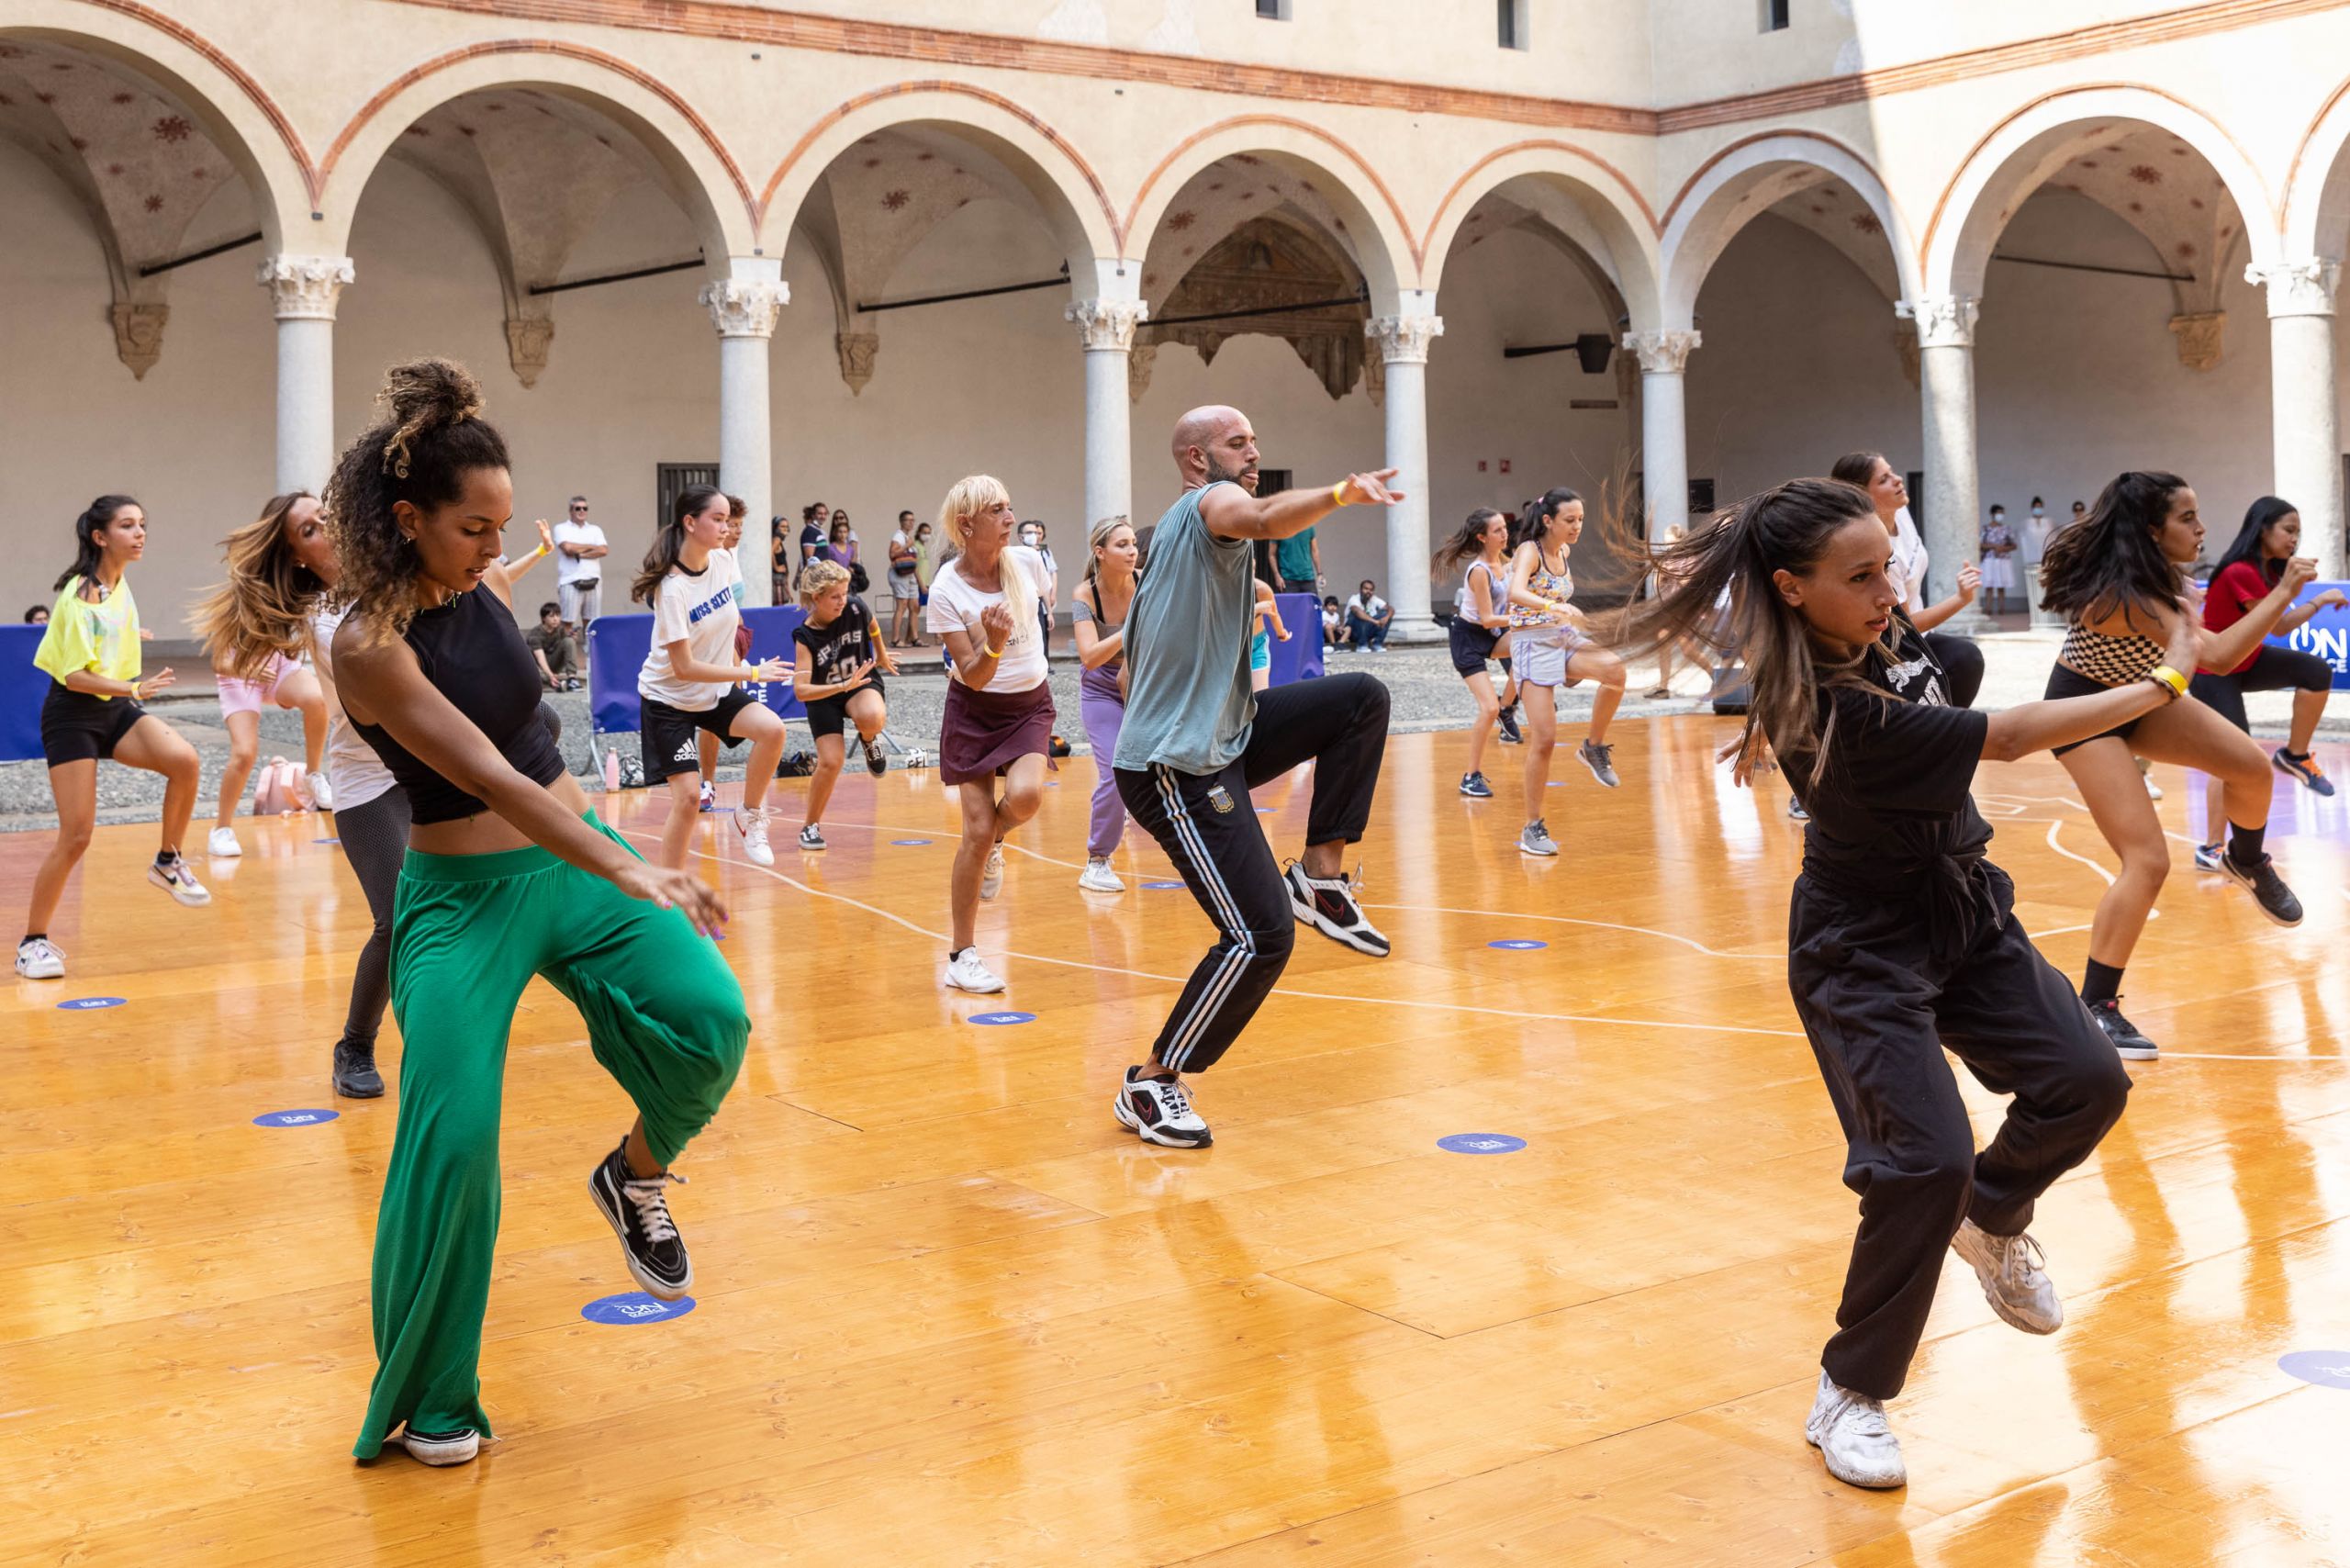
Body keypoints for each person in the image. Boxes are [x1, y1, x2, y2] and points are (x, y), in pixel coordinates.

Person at [1622, 476, 2154, 1492]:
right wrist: (2164, 681)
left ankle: (1992, 1214)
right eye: (1861, 577)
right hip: (1862, 944)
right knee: (1923, 1163)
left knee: (2088, 1080)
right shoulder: (1834, 711)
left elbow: (1949, 666)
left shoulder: (1881, 636)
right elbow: (2008, 737)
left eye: (1887, 570)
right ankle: (1849, 1390)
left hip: (1966, 910)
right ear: (1791, 588)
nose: (1887, 594)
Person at [324, 358, 745, 1469]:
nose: (491, 548)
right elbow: (486, 776)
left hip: (573, 866)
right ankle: (433, 1396)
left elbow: (531, 748)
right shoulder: (366, 647)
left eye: (502, 527)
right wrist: (631, 867)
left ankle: (635, 1174)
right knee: (452, 1140)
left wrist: (608, 860)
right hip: (461, 905)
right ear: (407, 520)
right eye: (473, 529)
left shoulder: (484, 588)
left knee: (712, 1019)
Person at [1109, 405, 1394, 1149]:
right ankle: (1151, 1082)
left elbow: (1138, 665)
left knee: (1360, 699)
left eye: (1255, 440)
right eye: (1237, 443)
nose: (1253, 451)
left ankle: (1321, 878)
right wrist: (1341, 493)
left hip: (1226, 735)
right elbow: (1263, 517)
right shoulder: (1211, 503)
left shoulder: (1184, 541)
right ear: (1196, 459)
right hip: (1176, 767)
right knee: (1260, 935)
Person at [2037, 470, 2311, 1060]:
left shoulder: (2154, 573)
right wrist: (2284, 591)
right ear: (2151, 529)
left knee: (2252, 768)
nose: (2201, 527)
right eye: (2187, 517)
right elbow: (2220, 656)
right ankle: (2097, 1005)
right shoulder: (2125, 596)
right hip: (2085, 712)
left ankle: (2246, 859)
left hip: (2142, 695)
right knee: (2148, 861)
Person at [19, 494, 210, 979]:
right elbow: (74, 675)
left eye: (142, 524)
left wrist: (128, 637)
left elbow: (102, 633)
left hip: (113, 709)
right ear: (100, 537)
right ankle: (32, 944)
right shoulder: (80, 593)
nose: (140, 533)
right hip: (72, 715)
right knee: (76, 836)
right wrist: (134, 688)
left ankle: (167, 861)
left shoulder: (118, 584)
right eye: (127, 525)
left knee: (184, 761)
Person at [926, 476, 1058, 994]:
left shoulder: (1027, 562)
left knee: (1026, 798)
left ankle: (996, 840)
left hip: (1030, 705)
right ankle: (962, 956)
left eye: (1009, 506)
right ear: (966, 524)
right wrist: (995, 644)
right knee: (974, 834)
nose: (1010, 518)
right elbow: (974, 676)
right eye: (997, 510)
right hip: (975, 710)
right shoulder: (945, 590)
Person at [632, 486, 793, 870]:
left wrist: (737, 657)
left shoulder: (722, 561)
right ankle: (668, 891)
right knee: (689, 799)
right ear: (690, 523)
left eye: (728, 520)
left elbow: (727, 620)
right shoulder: (672, 589)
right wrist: (751, 672)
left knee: (773, 730)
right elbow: (684, 667)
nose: (727, 528)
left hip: (713, 691)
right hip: (668, 700)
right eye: (718, 520)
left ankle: (749, 814)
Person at [2188, 496, 2347, 868]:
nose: (2294, 539)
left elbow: (2277, 626)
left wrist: (2311, 597)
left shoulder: (2268, 571)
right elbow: (2279, 626)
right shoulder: (2240, 571)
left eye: (2298, 532)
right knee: (2233, 758)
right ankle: (2211, 848)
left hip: (2246, 661)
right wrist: (2316, 598)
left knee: (2316, 672)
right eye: (2288, 530)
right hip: (2214, 671)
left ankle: (2295, 755)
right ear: (2263, 529)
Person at [193, 492, 337, 856]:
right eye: (308, 529)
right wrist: (248, 669)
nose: (322, 528)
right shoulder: (246, 594)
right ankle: (221, 829)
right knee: (244, 754)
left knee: (317, 700)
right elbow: (219, 662)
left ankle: (313, 774)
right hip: (239, 676)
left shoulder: (300, 584)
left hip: (277, 670)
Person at [1505, 487, 1627, 856]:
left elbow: (1558, 602)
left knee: (1615, 671)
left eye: (1580, 520)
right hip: (1532, 645)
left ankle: (1593, 747)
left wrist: (1568, 615)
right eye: (1569, 520)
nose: (1577, 527)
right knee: (1544, 740)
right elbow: (1515, 592)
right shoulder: (1530, 551)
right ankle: (1532, 827)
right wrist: (1551, 606)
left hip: (1562, 637)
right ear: (1548, 520)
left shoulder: (1564, 552)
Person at [1828, 454, 1985, 711]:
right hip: (1890, 640)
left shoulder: (1900, 514)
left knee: (1965, 659)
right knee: (1963, 658)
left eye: (1892, 472)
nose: (1898, 479)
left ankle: (1943, 728)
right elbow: (1901, 624)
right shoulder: (1874, 548)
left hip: (1917, 637)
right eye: (1884, 479)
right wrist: (1960, 599)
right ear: (1862, 494)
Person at [790, 559, 897, 851]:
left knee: (872, 716)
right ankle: (810, 826)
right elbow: (801, 691)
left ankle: (868, 739)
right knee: (831, 762)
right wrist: (840, 687)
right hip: (824, 694)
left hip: (858, 682)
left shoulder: (855, 607)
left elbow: (873, 625)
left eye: (845, 593)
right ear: (817, 598)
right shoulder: (805, 636)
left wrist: (882, 654)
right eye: (835, 596)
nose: (842, 601)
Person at [1071, 515, 1138, 893]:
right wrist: (1131, 630)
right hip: (1100, 690)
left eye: (1133, 544)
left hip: (1144, 683)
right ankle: (1097, 860)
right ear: (1100, 552)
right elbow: (1090, 656)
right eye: (1122, 545)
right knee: (1114, 772)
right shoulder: (1085, 595)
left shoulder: (1147, 582)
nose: (1132, 551)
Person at [1434, 508, 1517, 799]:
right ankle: (1470, 777)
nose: (1504, 533)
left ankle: (1507, 708)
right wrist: (1523, 619)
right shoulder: (1480, 571)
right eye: (1497, 530)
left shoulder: (1505, 564)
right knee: (1487, 708)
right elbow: (1488, 619)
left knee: (1528, 648)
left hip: (1491, 635)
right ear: (1482, 537)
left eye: (1504, 527)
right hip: (1468, 638)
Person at [551, 495, 608, 650]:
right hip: (570, 581)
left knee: (592, 623)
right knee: (567, 622)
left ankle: (591, 656)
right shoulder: (561, 528)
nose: (582, 511)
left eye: (585, 508)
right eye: (578, 508)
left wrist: (579, 554)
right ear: (571, 510)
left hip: (594, 581)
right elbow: (568, 549)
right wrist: (592, 546)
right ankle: (567, 655)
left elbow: (603, 550)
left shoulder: (595, 529)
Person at [1020, 520, 1059, 653]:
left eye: (1037, 533)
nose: (1034, 536)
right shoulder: (1017, 555)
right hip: (1024, 605)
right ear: (1020, 537)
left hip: (1040, 602)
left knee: (1043, 637)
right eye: (1030, 533)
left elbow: (1048, 577)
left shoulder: (1044, 552)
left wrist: (1049, 611)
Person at [887, 508, 923, 647]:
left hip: (910, 574)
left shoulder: (907, 537)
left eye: (913, 520)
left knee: (914, 606)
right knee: (902, 605)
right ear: (902, 522)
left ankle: (914, 637)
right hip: (900, 574)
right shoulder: (898, 536)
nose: (911, 523)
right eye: (908, 520)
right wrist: (907, 546)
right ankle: (895, 639)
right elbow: (892, 554)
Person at [1249, 577, 1291, 694]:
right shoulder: (1222, 588)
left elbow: (1274, 614)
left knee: (1260, 696)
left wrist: (1281, 634)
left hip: (1257, 645)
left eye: (1253, 568)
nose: (1250, 572)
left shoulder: (1261, 589)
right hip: (1231, 647)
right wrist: (1255, 609)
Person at [528, 600, 582, 689]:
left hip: (553, 663)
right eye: (551, 616)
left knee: (569, 641)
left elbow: (567, 649)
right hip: (538, 667)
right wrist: (550, 675)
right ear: (543, 618)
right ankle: (552, 681)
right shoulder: (535, 635)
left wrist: (573, 639)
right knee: (539, 677)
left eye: (558, 615)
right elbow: (540, 659)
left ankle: (572, 679)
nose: (555, 619)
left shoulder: (560, 629)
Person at [1978, 504, 2018, 617]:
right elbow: (1980, 544)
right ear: (1992, 514)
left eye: (2002, 513)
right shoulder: (1985, 529)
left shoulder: (2007, 529)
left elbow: (2014, 545)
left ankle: (2002, 608)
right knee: (1989, 585)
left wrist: (2003, 548)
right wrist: (1993, 546)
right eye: (1998, 512)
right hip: (1989, 559)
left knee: (2001, 585)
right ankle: (1988, 608)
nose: (2000, 515)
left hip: (2003, 560)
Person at [1273, 520, 1322, 598]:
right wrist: (1277, 576)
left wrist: (1319, 574)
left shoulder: (1309, 526)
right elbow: (1271, 554)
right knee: (1289, 605)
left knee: (1311, 604)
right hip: (1287, 579)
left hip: (1308, 577)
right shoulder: (1279, 528)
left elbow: (1314, 550)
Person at [1343, 579, 1393, 650]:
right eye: (1366, 589)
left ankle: (1377, 644)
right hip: (1353, 633)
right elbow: (1357, 611)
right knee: (1359, 614)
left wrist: (1386, 618)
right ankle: (1362, 645)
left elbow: (1390, 609)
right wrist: (1375, 621)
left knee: (1386, 614)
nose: (1368, 591)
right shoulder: (1354, 598)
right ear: (1360, 590)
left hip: (1367, 630)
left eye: (1371, 590)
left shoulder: (1374, 599)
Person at [2021, 497, 2053, 570]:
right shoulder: (2027, 523)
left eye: (2040, 507)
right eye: (2036, 507)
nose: (2038, 509)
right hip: (2031, 560)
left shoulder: (2048, 522)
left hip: (2046, 559)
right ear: (2032, 509)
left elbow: (2052, 539)